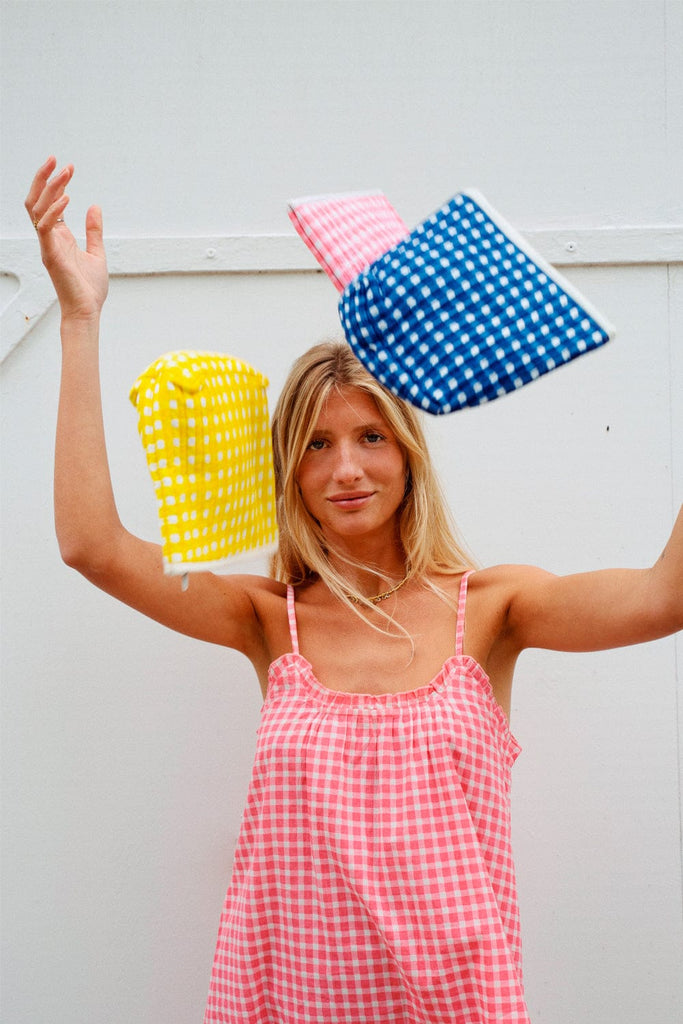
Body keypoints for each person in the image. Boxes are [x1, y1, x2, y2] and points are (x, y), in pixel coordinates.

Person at [26, 157, 683, 1024]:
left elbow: (664, 596)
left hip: (456, 1005)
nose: (345, 469)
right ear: (288, 470)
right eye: (315, 443)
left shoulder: (492, 608)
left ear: (408, 454)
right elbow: (91, 546)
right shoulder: (268, 621)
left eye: (370, 436)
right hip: (288, 1001)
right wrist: (79, 317)